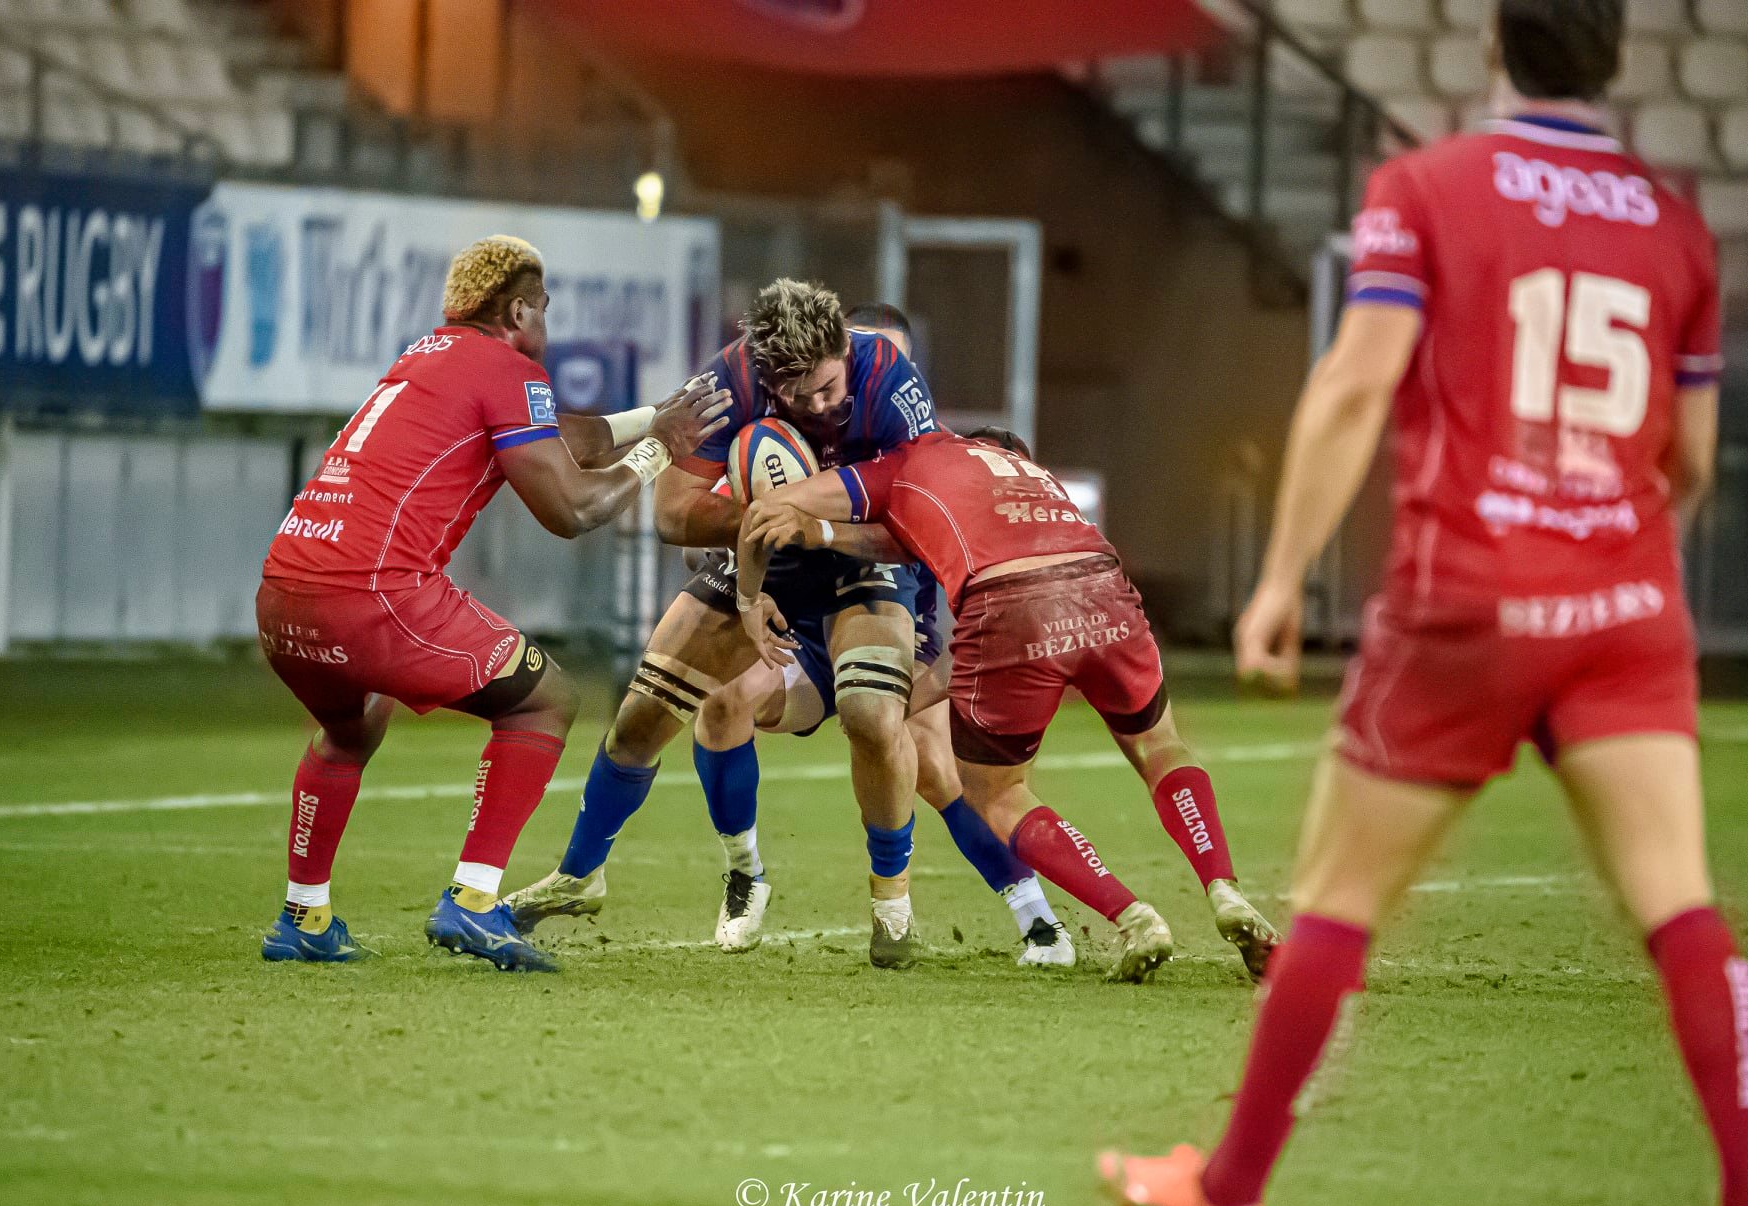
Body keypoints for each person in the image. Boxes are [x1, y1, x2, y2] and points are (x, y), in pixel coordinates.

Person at [1098, 3, 1748, 1206]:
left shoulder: (1427, 188)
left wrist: (1276, 581)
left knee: (1339, 901)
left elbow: (1358, 382)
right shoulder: (1679, 229)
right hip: (1626, 610)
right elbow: (1690, 462)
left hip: (1467, 605)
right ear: (1617, 57)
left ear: (1493, 50)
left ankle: (1229, 1192)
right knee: (1679, 909)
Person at [256, 235, 729, 973]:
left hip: (283, 598)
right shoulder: (510, 367)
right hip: (372, 596)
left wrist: (651, 418)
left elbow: (559, 438)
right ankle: (473, 902)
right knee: (546, 698)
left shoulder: (427, 358)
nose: (547, 322)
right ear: (516, 309)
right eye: (542, 308)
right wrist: (661, 451)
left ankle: (303, 915)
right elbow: (573, 509)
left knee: (352, 726)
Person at [739, 428, 1280, 982]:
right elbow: (903, 541)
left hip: (1008, 605)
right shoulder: (1032, 479)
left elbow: (788, 506)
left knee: (995, 792)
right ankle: (1225, 888)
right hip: (1101, 584)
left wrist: (778, 551)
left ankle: (1134, 916)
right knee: (1160, 744)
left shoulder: (914, 461)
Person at [507, 279, 938, 968]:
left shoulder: (891, 380)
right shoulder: (727, 381)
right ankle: (597, 873)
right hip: (771, 545)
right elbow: (675, 514)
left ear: (844, 352)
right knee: (645, 712)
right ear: (768, 380)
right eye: (803, 398)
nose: (823, 407)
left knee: (871, 714)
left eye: (830, 388)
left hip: (864, 546)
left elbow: (921, 522)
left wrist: (818, 525)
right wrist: (764, 538)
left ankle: (892, 908)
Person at [684, 302, 1072, 966]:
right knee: (722, 703)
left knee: (938, 766)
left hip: (897, 626)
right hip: (808, 630)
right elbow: (719, 528)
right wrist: (737, 562)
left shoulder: (917, 446)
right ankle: (745, 873)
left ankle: (1034, 916)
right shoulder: (779, 437)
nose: (843, 393)